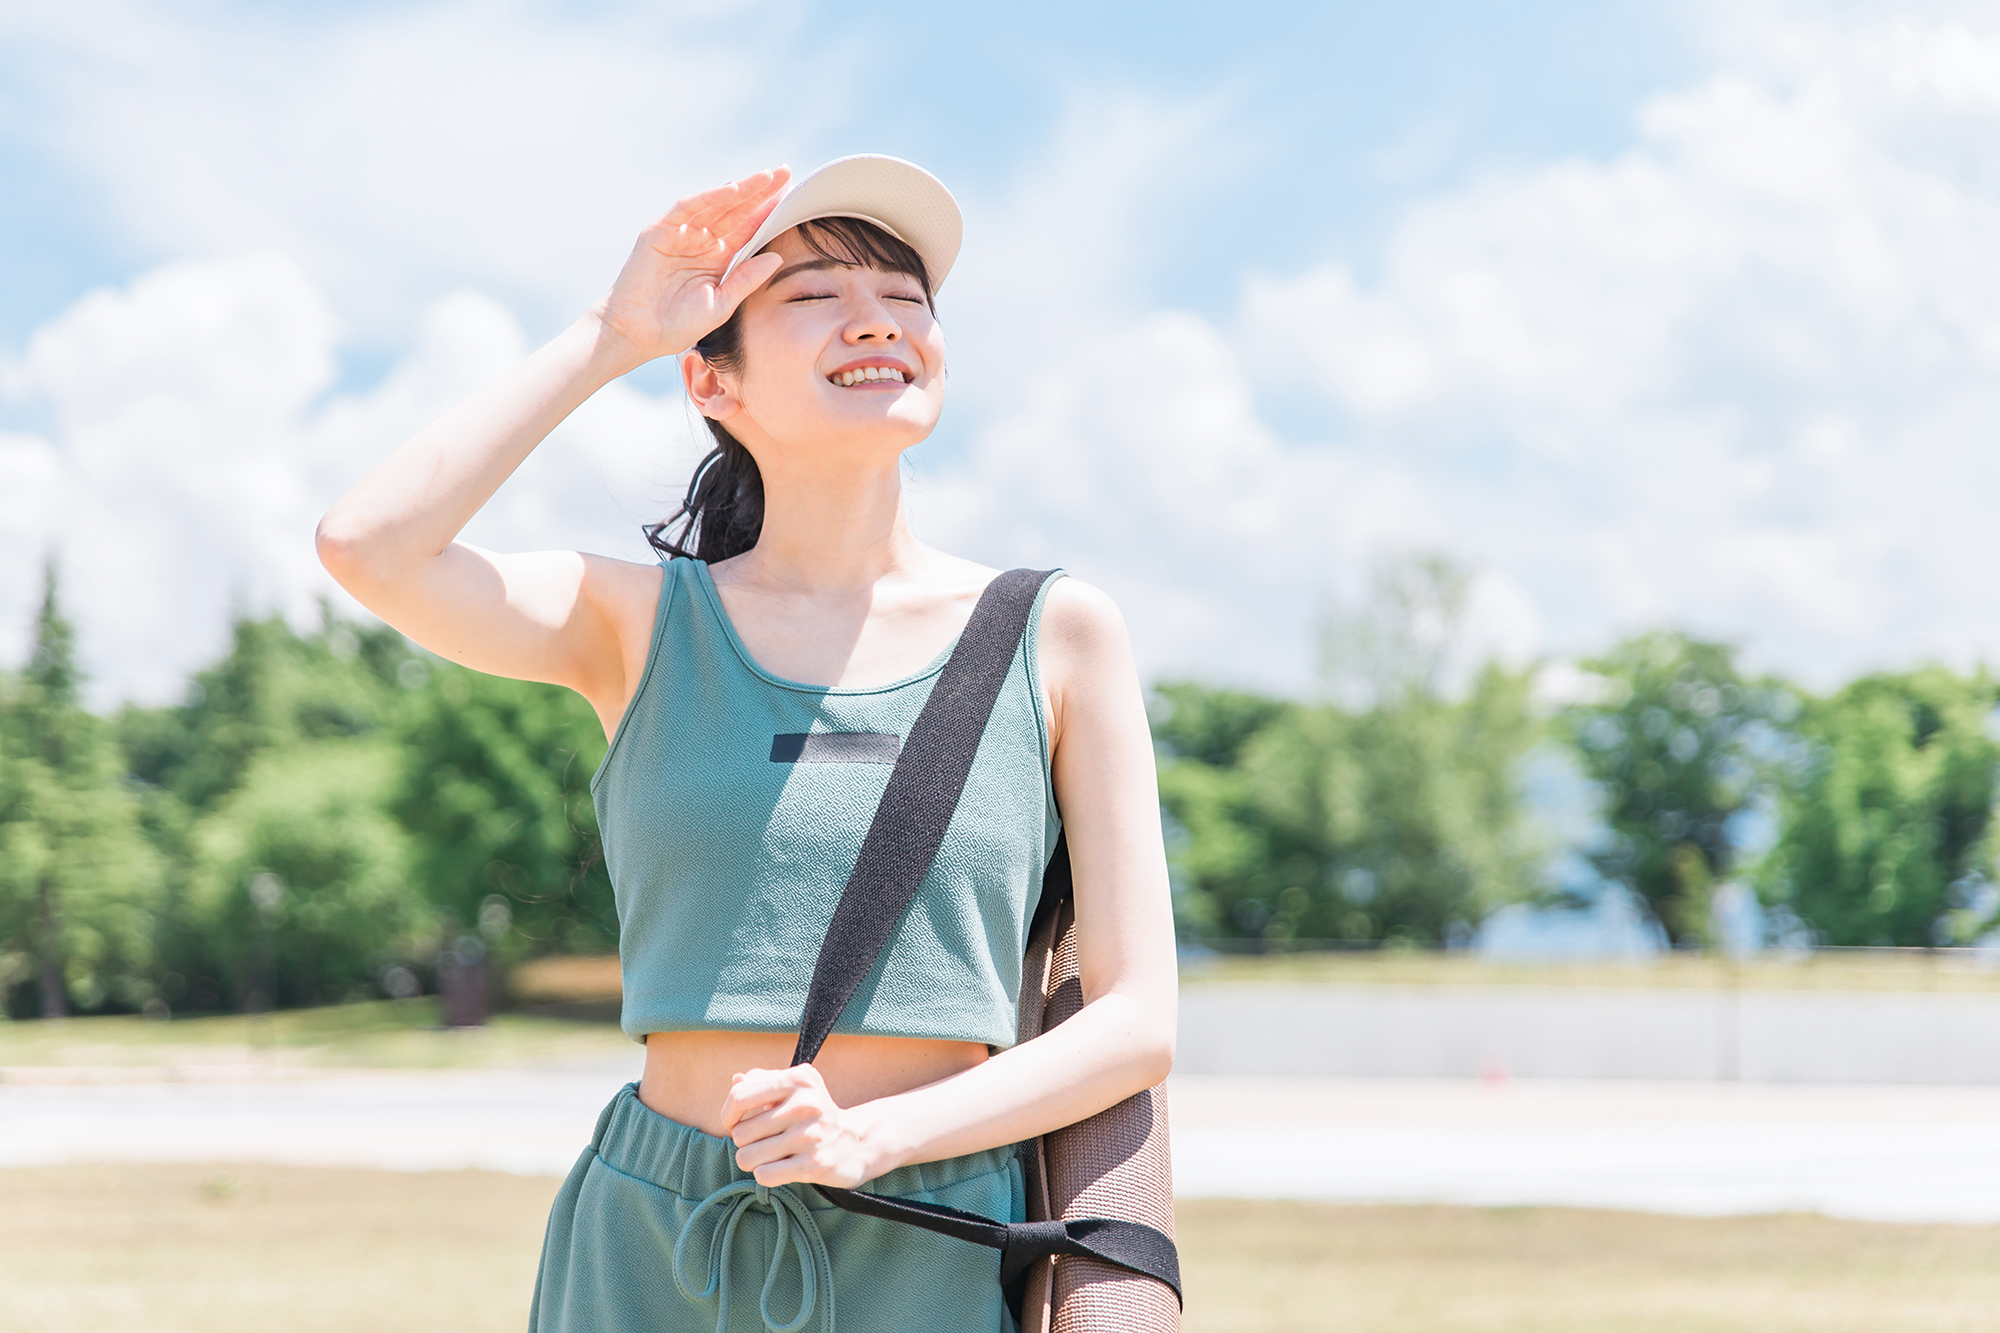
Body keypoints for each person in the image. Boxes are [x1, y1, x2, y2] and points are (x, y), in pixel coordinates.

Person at [316, 155, 1178, 1332]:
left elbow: (1135, 1021)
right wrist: (609, 333)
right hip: (651, 1234)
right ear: (711, 381)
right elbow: (368, 545)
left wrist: (874, 1135)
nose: (873, 318)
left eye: (905, 296)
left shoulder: (1056, 632)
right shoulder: (637, 624)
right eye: (813, 294)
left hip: (918, 1232)